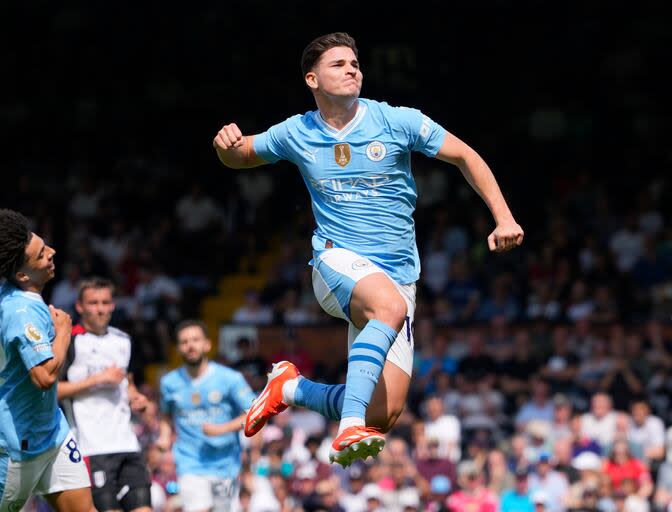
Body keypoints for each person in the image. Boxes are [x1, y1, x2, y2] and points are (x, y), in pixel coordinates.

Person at [213, 31, 524, 466]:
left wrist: (504, 217)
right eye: (338, 64)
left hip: (399, 275)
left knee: (386, 412)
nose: (351, 69)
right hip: (335, 260)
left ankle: (290, 388)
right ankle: (347, 427)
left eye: (355, 63)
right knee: (387, 309)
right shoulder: (296, 131)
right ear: (312, 79)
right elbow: (241, 154)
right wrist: (224, 145)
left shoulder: (397, 121)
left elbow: (466, 156)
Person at [0, 208, 95, 512]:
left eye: (44, 245)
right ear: (23, 274)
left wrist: (8, 377)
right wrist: (63, 333)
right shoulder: (23, 310)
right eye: (41, 254)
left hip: (51, 432)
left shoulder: (1, 295)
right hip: (13, 445)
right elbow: (45, 377)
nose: (51, 252)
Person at [57, 278, 152, 512]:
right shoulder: (69, 341)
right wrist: (98, 379)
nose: (100, 308)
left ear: (113, 305)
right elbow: (51, 390)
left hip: (127, 443)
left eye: (105, 302)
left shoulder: (123, 340)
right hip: (91, 447)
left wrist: (134, 396)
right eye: (93, 303)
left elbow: (126, 381)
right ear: (80, 306)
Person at [156, 320, 255, 512]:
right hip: (189, 461)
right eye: (184, 342)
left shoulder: (230, 379)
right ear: (178, 348)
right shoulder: (169, 382)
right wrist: (164, 436)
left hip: (225, 463)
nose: (190, 345)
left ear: (207, 344)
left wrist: (222, 429)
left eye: (195, 339)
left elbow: (255, 412)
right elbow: (166, 415)